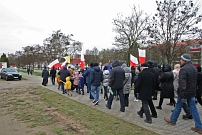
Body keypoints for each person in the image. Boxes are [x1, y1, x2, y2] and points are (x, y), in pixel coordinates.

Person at [164, 54, 202, 134]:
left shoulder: (184, 69)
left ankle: (173, 120)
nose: (180, 61)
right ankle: (199, 126)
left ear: (184, 60)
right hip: (192, 92)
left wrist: (183, 94)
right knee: (194, 109)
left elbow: (182, 83)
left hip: (184, 93)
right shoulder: (194, 68)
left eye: (181, 59)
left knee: (178, 106)